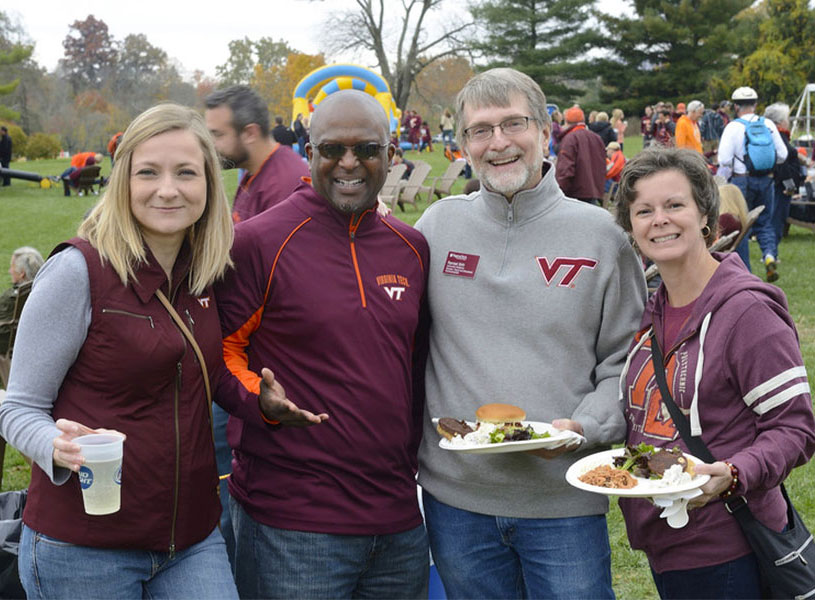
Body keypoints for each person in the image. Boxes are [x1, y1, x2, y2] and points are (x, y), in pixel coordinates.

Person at [416, 67, 647, 599]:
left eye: (513, 124)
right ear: (463, 143)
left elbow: (628, 362)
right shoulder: (435, 228)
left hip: (560, 499)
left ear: (545, 130)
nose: (498, 143)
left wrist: (585, 425)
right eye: (480, 130)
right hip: (456, 503)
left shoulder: (601, 237)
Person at [0, 103, 239, 599]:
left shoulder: (209, 272)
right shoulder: (78, 272)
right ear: (122, 181)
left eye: (186, 173)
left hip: (191, 540)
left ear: (210, 184)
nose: (167, 189)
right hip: (83, 550)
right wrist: (57, 448)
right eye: (147, 172)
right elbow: (17, 406)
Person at [215, 89, 430, 599]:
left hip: (398, 518)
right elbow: (218, 352)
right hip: (294, 522)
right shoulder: (260, 242)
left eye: (367, 149)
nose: (349, 163)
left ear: (391, 153)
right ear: (308, 154)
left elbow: (413, 369)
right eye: (332, 149)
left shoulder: (412, 247)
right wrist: (259, 402)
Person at [614, 147, 815, 599]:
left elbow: (795, 428)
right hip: (663, 539)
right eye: (643, 210)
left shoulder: (746, 312)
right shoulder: (653, 311)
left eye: (674, 205)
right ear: (631, 228)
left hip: (726, 546)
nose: (659, 220)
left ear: (706, 215)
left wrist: (734, 471)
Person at [205, 85, 308, 224]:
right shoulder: (255, 170)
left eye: (217, 134)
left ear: (250, 133)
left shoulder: (285, 187)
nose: (210, 144)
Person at [717, 86, 788, 281]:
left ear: (735, 106)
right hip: (766, 179)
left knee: (741, 227)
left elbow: (724, 159)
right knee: (765, 222)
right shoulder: (769, 125)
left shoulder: (732, 127)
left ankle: (744, 272)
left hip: (741, 181)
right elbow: (782, 155)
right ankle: (769, 256)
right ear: (755, 105)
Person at [764, 102, 806, 257]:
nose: (789, 121)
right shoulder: (778, 137)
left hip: (780, 184)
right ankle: (770, 254)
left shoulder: (778, 135)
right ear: (780, 121)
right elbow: (781, 163)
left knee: (777, 219)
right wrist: (789, 185)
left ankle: (771, 254)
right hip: (781, 186)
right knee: (776, 220)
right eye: (787, 118)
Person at [556, 105, 607, 205]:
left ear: (566, 122)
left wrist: (558, 192)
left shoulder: (569, 139)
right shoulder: (596, 138)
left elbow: (565, 170)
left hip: (575, 195)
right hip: (593, 192)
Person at [0, 247, 43, 350]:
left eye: (12, 267)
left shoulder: (10, 299)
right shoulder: (39, 289)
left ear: (22, 273)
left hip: (6, 345)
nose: (10, 271)